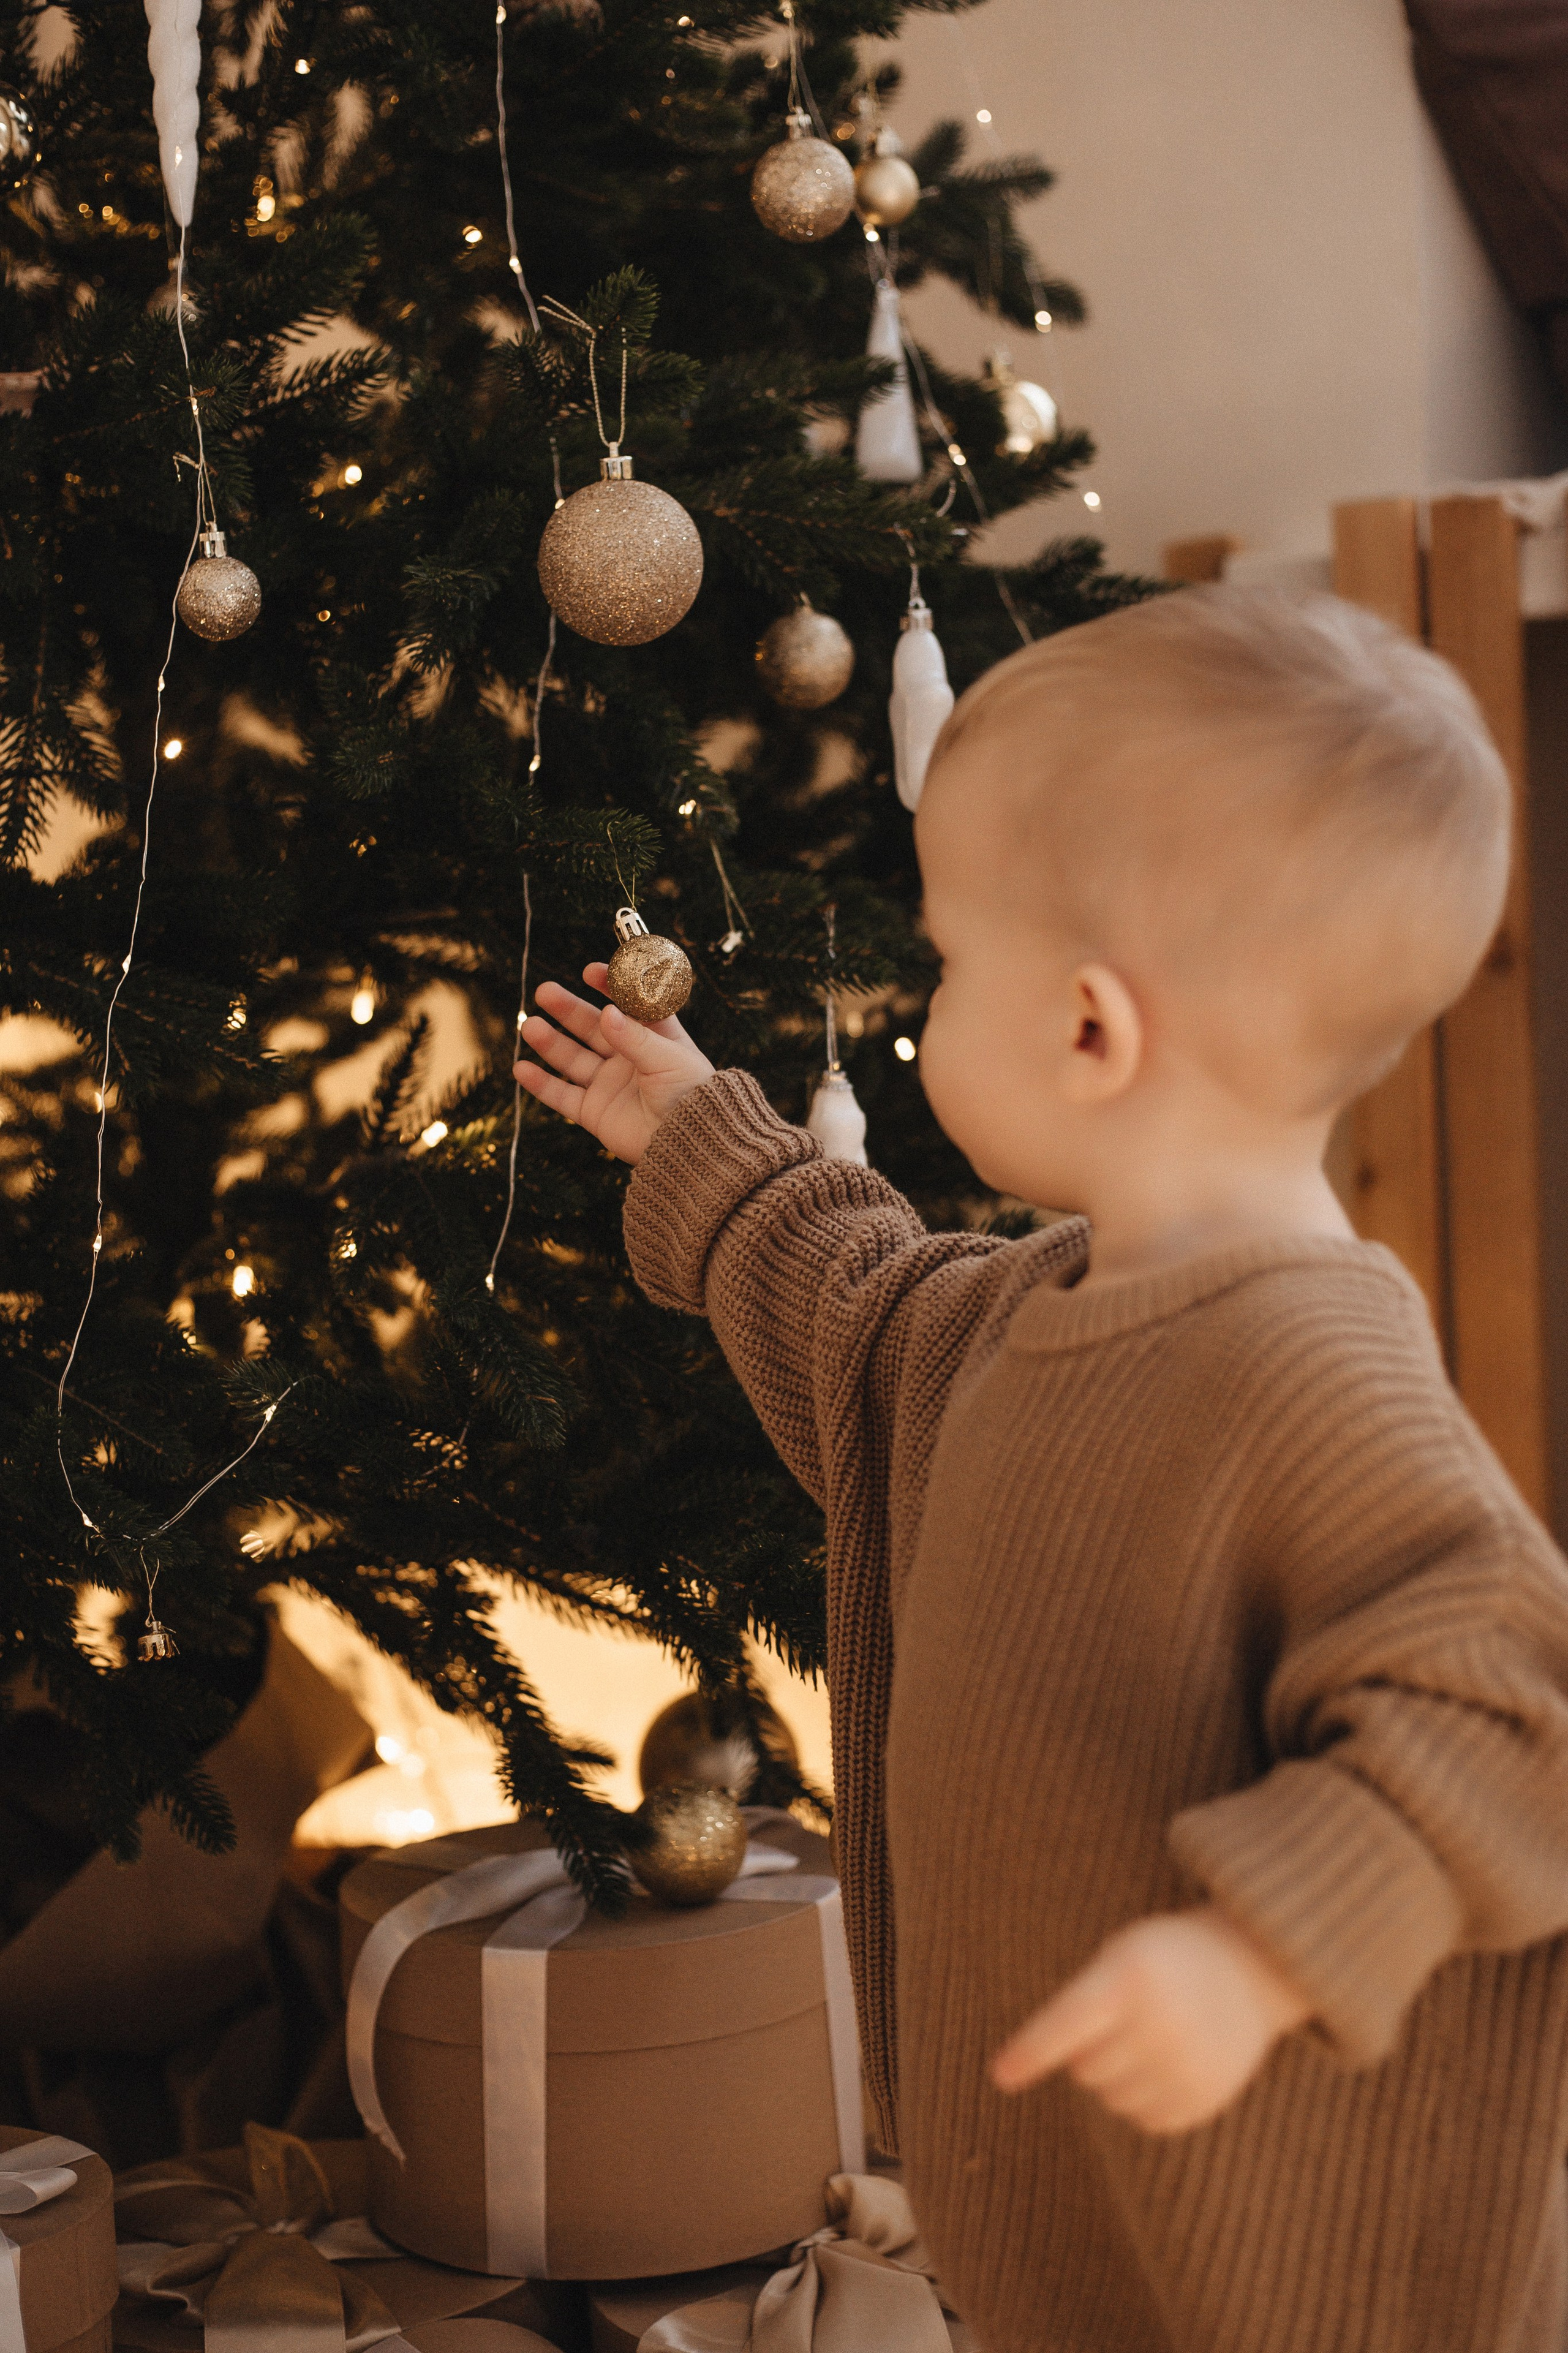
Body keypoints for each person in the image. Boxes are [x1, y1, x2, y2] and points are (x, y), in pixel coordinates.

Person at [515, 586, 1568, 2353]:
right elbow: (863, 1326)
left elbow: (1514, 1706)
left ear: (1092, 1030)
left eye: (946, 963)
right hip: (1072, 2229)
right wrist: (696, 1131)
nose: (927, 1009)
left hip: (1292, 2272)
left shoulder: (1305, 1370)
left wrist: (1260, 1950)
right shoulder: (1031, 1308)